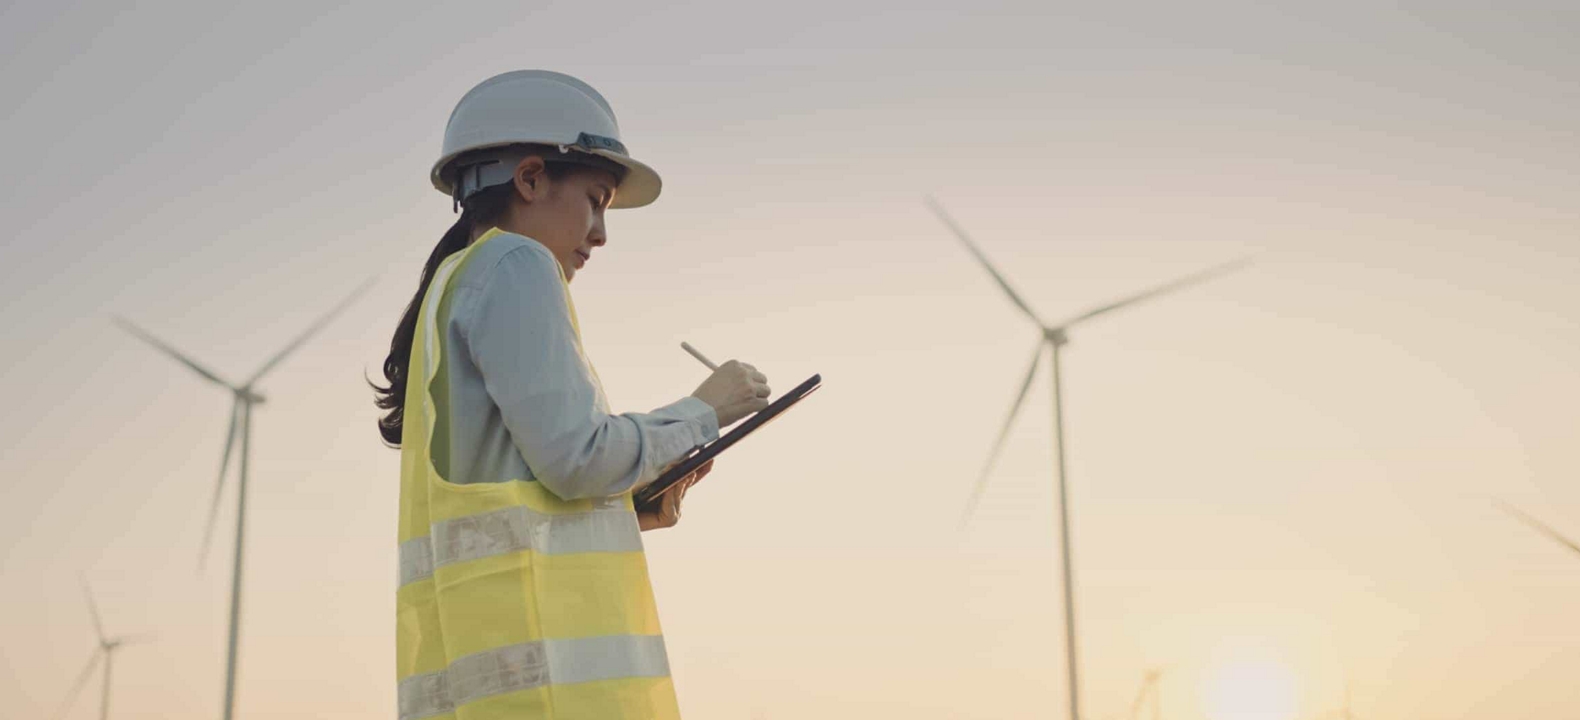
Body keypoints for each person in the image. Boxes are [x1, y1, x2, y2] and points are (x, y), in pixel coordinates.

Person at [372, 70, 770, 720]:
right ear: (531, 178)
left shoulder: (454, 284)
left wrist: (626, 504)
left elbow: (519, 500)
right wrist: (705, 408)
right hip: (551, 696)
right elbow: (579, 456)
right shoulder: (516, 265)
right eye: (596, 198)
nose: (602, 232)